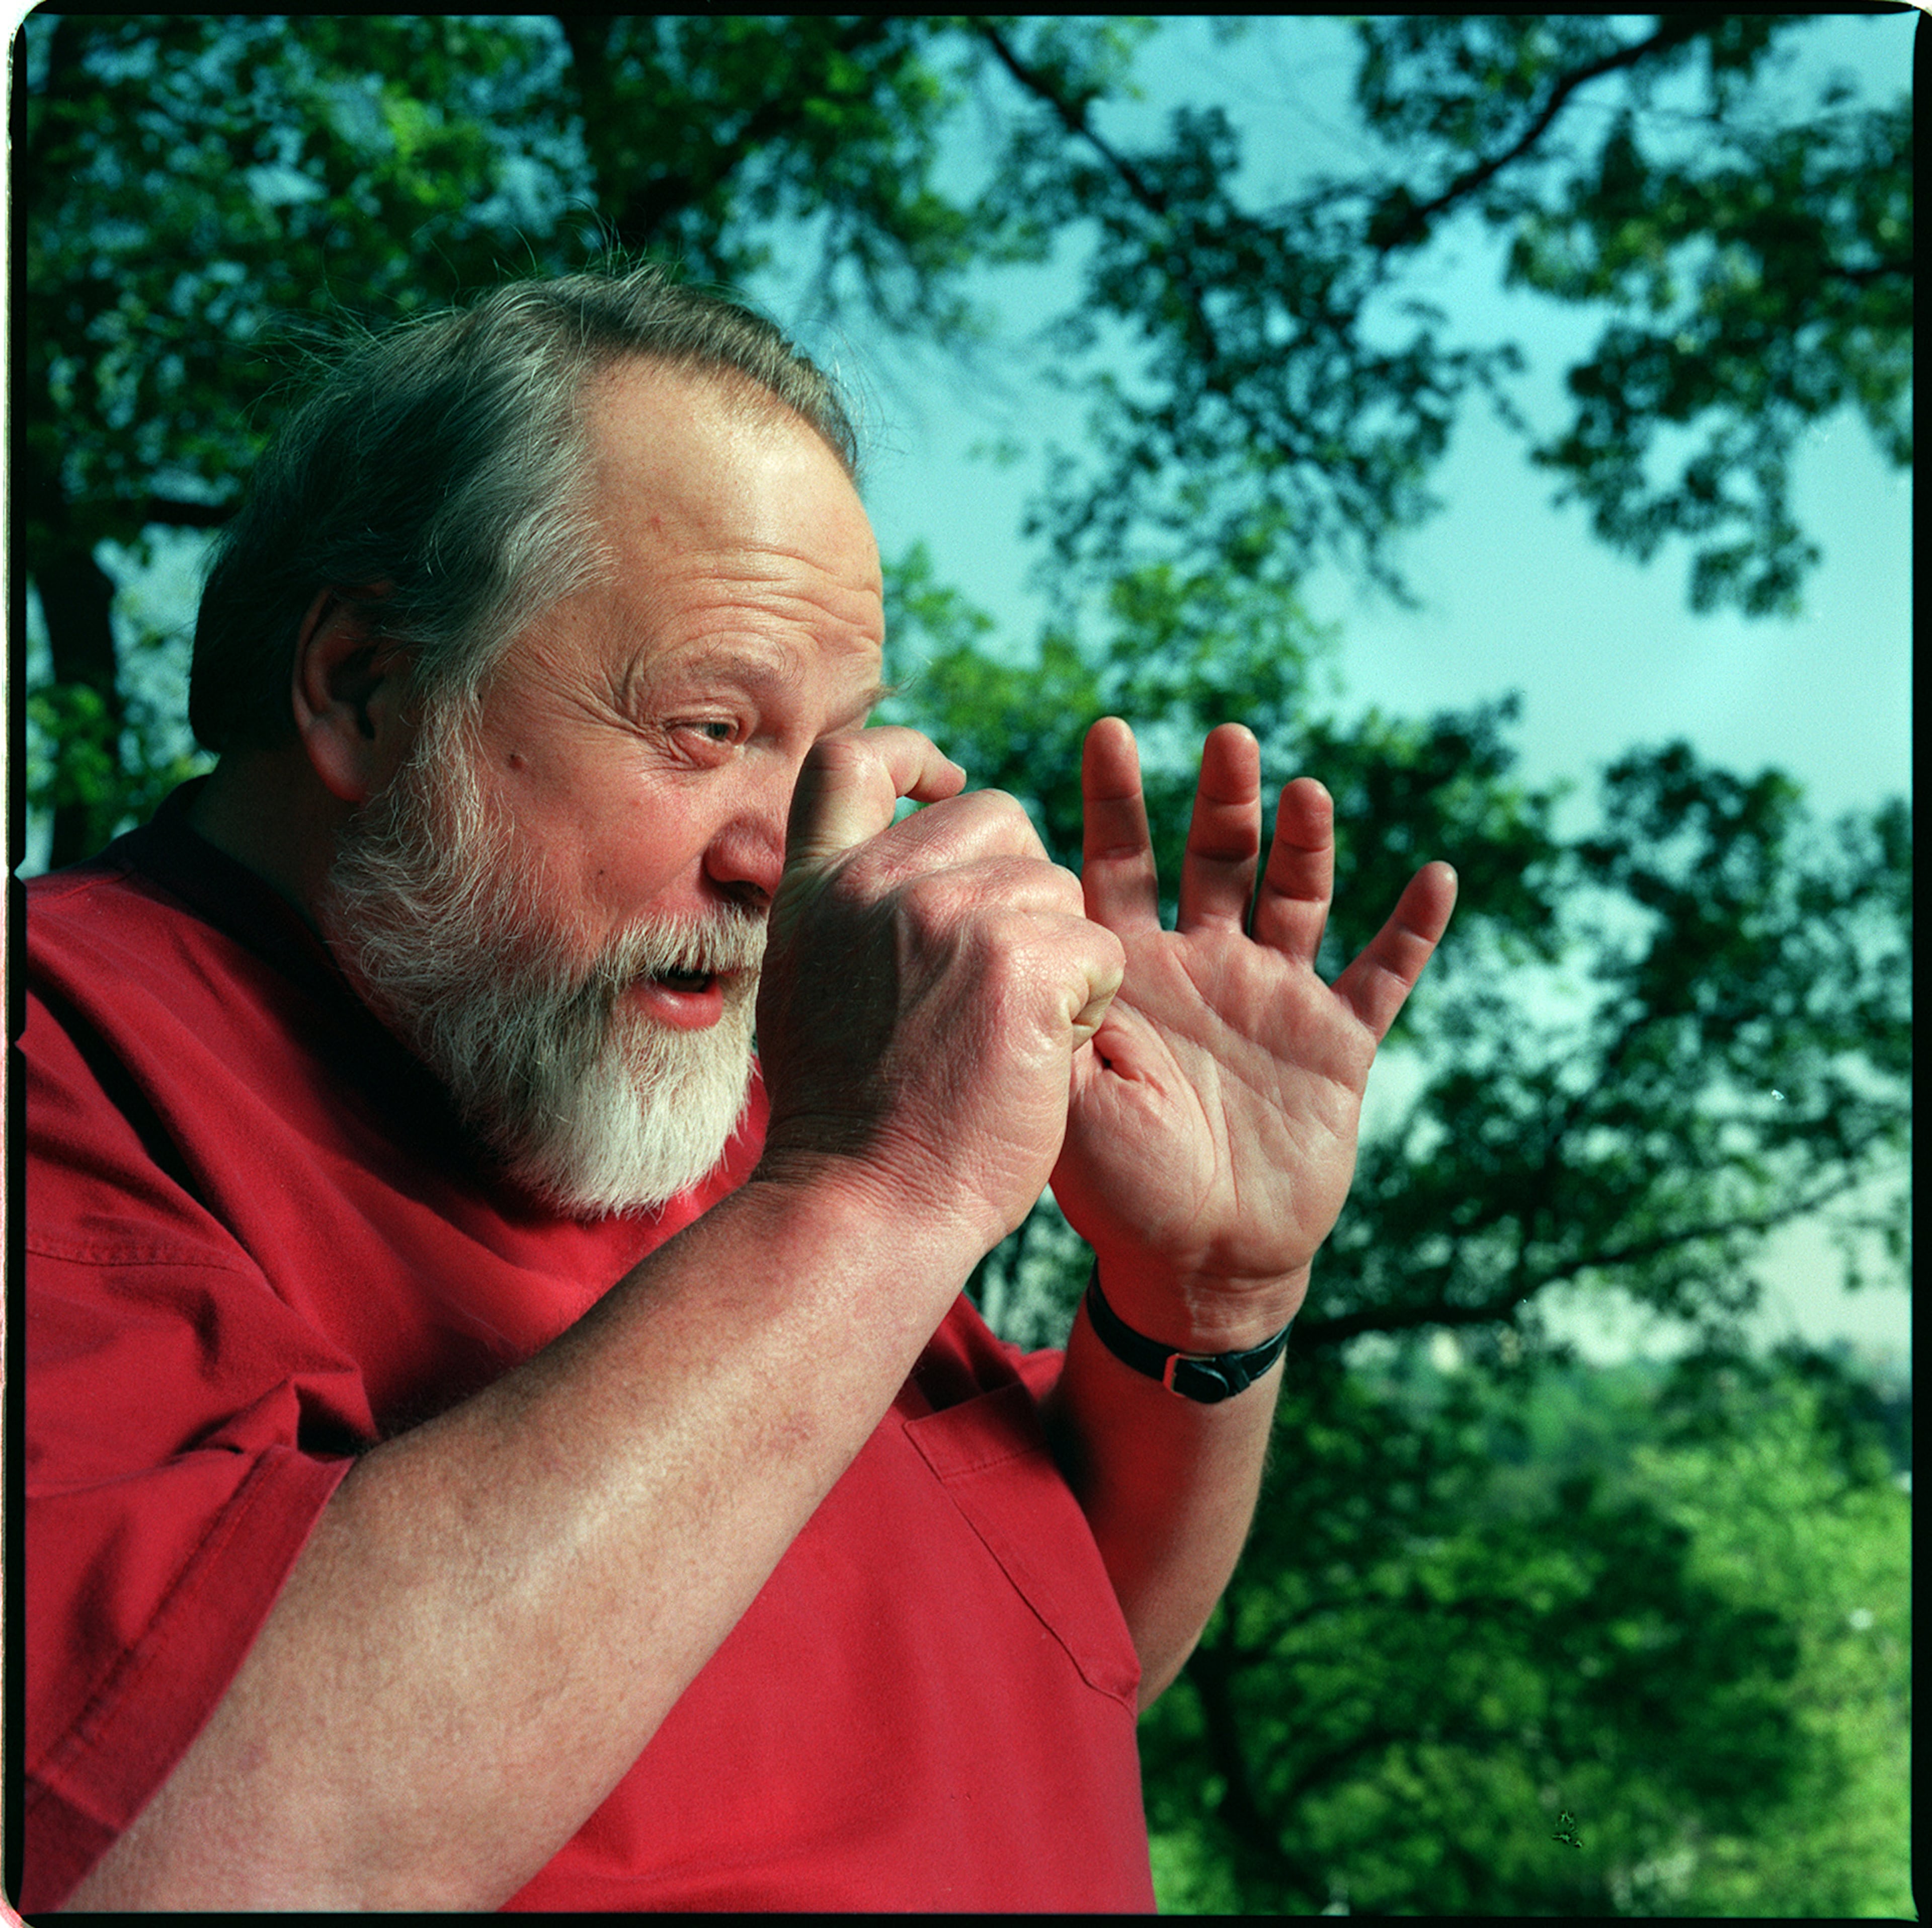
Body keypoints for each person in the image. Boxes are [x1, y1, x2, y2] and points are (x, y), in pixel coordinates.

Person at [19, 266, 1457, 1912]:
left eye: (834, 746)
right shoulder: (60, 1055)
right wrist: (875, 1201)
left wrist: (1212, 1297)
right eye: (710, 726)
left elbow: (1070, 1642)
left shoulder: (718, 1084)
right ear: (363, 688)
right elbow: (150, 1845)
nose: (794, 851)